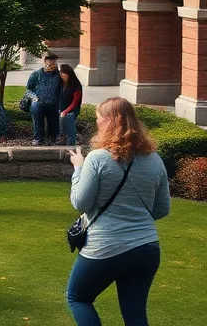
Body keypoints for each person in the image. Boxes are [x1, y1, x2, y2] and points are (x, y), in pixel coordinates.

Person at [66, 97, 170, 326]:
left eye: (98, 119)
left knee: (78, 298)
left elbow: (80, 203)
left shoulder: (97, 158)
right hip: (146, 246)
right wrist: (135, 218)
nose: (96, 124)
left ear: (109, 121)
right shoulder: (154, 159)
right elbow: (162, 208)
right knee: (135, 314)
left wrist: (78, 169)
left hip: (105, 245)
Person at [28, 51, 63, 145]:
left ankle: (54, 137)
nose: (51, 64)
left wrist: (61, 104)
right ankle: (38, 138)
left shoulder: (59, 75)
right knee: (37, 117)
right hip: (39, 103)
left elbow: (63, 90)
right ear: (44, 62)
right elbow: (29, 89)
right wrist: (35, 98)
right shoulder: (36, 74)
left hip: (53, 103)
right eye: (49, 61)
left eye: (54, 61)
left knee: (54, 120)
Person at [60, 64, 84, 147]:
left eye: (63, 73)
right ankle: (59, 138)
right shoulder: (60, 83)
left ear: (69, 74)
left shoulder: (76, 85)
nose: (61, 75)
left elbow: (75, 102)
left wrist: (65, 111)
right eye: (60, 72)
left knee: (68, 117)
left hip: (72, 109)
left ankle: (71, 143)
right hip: (61, 108)